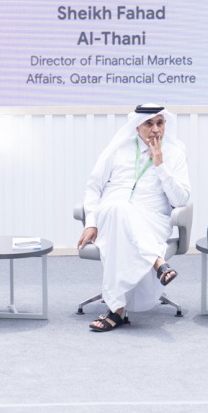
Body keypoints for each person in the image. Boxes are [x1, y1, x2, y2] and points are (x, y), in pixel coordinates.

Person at [77, 104, 191, 331]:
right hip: (110, 215)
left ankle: (116, 310)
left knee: (123, 216)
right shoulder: (117, 150)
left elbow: (181, 199)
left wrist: (161, 165)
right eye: (149, 123)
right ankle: (158, 262)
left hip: (152, 220)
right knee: (119, 208)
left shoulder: (175, 154)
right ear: (136, 125)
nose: (156, 129)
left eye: (160, 123)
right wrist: (90, 222)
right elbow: (93, 189)